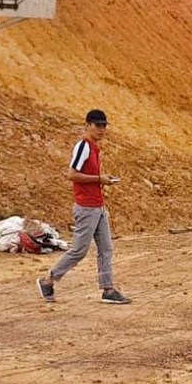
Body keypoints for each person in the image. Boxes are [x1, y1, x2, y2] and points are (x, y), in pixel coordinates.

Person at [36, 109, 130, 305]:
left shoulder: (93, 147)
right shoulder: (84, 146)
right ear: (87, 125)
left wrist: (101, 181)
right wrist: (99, 179)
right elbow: (71, 174)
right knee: (79, 250)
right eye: (98, 125)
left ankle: (108, 288)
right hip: (87, 207)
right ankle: (48, 280)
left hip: (97, 206)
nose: (102, 129)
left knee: (106, 248)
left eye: (104, 125)